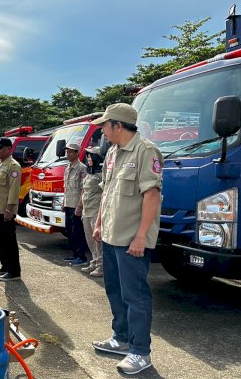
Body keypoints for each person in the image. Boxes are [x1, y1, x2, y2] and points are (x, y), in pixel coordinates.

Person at [91, 103, 163, 375]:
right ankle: (120, 339)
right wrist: (99, 224)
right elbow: (106, 192)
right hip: (111, 236)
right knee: (115, 291)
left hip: (132, 240)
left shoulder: (146, 151)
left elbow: (151, 195)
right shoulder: (112, 153)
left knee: (136, 297)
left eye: (105, 125)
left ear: (118, 125)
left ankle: (140, 351)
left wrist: (141, 236)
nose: (102, 130)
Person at [0, 137, 22, 282]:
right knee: (1, 239)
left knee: (9, 241)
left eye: (0, 148)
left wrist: (9, 209)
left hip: (5, 211)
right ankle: (5, 266)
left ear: (8, 149)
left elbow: (14, 190)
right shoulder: (1, 164)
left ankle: (14, 271)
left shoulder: (13, 166)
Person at [79, 147, 104, 277]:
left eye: (91, 157)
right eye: (87, 157)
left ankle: (101, 266)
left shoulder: (102, 174)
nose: (88, 159)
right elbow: (84, 191)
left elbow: (105, 193)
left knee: (98, 241)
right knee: (89, 239)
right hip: (86, 211)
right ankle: (94, 261)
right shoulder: (89, 173)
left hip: (95, 211)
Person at [63, 143, 88, 266]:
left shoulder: (81, 168)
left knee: (78, 231)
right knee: (69, 231)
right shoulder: (67, 168)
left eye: (71, 152)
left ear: (77, 153)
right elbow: (66, 187)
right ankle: (74, 254)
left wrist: (80, 206)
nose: (68, 154)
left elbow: (84, 189)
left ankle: (81, 256)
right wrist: (64, 202)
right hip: (68, 204)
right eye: (67, 152)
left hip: (76, 206)